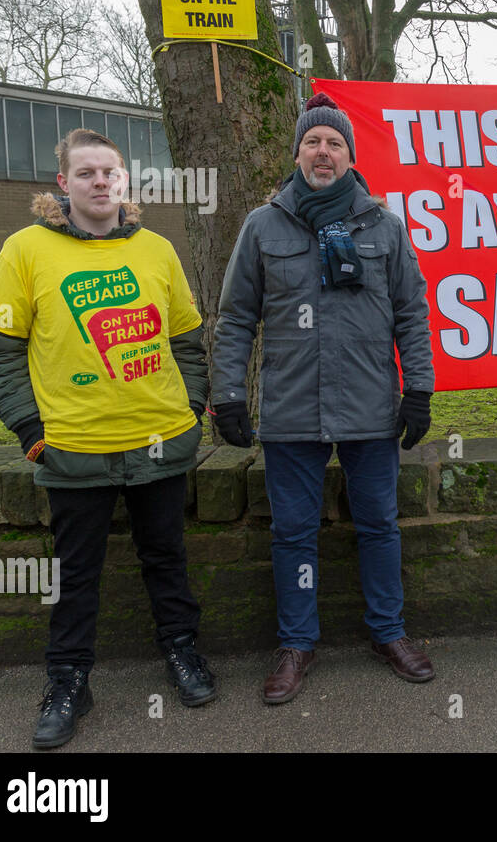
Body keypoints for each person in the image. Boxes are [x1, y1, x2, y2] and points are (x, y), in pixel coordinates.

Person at [0, 128, 215, 749]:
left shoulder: (157, 250)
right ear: (63, 184)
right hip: (73, 445)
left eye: (110, 172)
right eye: (85, 174)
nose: (100, 182)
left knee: (166, 556)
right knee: (75, 572)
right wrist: (31, 432)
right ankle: (68, 682)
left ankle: (183, 653)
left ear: (125, 180)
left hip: (159, 440)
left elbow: (188, 341)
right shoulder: (24, 251)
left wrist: (190, 406)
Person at [211, 93, 436, 703]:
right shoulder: (262, 226)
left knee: (379, 525)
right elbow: (235, 318)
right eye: (313, 141)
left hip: (369, 406)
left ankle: (389, 632)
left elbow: (412, 315)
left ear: (350, 156)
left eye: (335, 142)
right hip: (291, 409)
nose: (323, 151)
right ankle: (296, 643)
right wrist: (228, 393)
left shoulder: (384, 226)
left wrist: (419, 389)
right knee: (292, 533)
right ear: (297, 154)